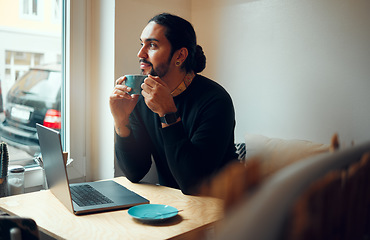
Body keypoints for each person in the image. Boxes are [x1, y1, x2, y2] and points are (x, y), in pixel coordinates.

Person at [109, 13, 237, 195]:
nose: (140, 54)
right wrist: (121, 121)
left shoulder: (215, 101)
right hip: (171, 206)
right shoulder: (142, 98)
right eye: (141, 44)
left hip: (219, 208)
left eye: (152, 45)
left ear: (180, 55)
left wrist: (168, 113)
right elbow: (135, 172)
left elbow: (194, 184)